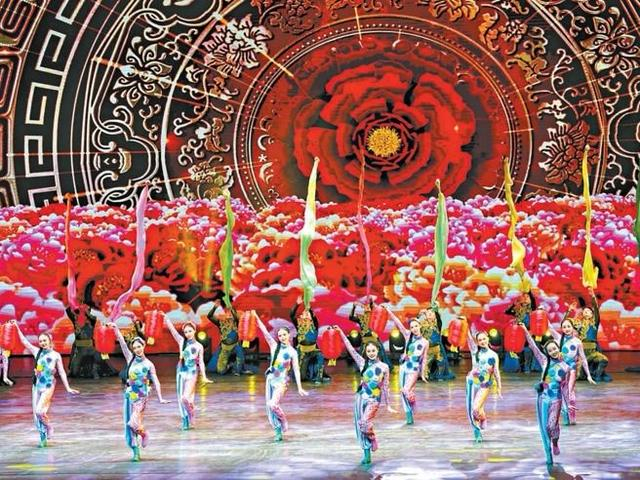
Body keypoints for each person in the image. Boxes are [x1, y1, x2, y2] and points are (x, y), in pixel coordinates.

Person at [11, 320, 79, 447]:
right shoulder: (37, 352)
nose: (42, 343)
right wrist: (16, 327)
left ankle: (49, 427)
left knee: (39, 412)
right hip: (37, 386)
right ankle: (43, 438)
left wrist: (68, 388)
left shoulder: (56, 355)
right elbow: (24, 341)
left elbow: (62, 372)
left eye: (44, 340)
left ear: (50, 340)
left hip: (48, 386)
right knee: (36, 415)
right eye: (40, 341)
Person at [109, 322, 170, 461]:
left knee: (133, 423)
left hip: (141, 398)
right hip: (129, 396)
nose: (137, 349)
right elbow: (122, 344)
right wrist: (116, 329)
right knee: (129, 425)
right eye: (135, 347)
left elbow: (156, 381)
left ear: (144, 346)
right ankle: (136, 451)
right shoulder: (130, 359)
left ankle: (143, 434)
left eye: (139, 346)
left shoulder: (149, 364)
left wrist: (160, 397)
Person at [335, 326, 395, 465]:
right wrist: (341, 332)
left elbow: (386, 387)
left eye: (373, 350)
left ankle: (372, 438)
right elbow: (350, 348)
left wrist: (388, 405)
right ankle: (366, 454)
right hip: (360, 398)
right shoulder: (362, 363)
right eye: (368, 351)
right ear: (365, 352)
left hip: (374, 400)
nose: (371, 353)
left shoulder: (384, 367)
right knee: (360, 427)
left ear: (378, 350)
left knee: (365, 423)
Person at [522, 324, 570, 467]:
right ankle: (548, 454)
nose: (553, 351)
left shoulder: (565, 367)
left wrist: (567, 406)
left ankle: (555, 442)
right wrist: (524, 329)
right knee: (544, 428)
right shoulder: (544, 362)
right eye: (550, 350)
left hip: (556, 399)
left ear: (558, 348)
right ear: (547, 353)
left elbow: (565, 388)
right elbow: (533, 346)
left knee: (551, 426)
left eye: (555, 349)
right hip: (543, 398)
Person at [255, 312, 308, 441]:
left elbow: (296, 370)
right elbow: (264, 331)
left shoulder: (292, 352)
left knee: (273, 404)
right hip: (270, 380)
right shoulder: (274, 346)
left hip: (281, 382)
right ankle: (277, 430)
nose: (282, 337)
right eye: (280, 335)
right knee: (269, 407)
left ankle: (283, 420)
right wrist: (256, 316)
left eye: (284, 335)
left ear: (289, 335)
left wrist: (299, 387)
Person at [164, 317, 213, 430]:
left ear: (194, 331)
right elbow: (173, 331)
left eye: (190, 331)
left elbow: (201, 362)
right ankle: (185, 420)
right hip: (181, 372)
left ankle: (191, 411)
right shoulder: (182, 342)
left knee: (186, 398)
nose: (188, 334)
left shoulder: (199, 346)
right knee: (180, 398)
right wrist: (167, 320)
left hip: (192, 373)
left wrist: (204, 376)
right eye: (186, 332)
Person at [385, 306, 428, 424]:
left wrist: (423, 374)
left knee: (406, 390)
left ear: (420, 326)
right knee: (403, 392)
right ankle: (409, 416)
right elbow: (397, 323)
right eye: (412, 327)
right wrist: (388, 311)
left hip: (414, 369)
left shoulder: (425, 342)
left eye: (416, 326)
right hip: (404, 367)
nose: (414, 329)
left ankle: (413, 404)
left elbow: (424, 359)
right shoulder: (408, 336)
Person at [465, 327, 502, 443]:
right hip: (472, 384)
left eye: (484, 339)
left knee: (476, 408)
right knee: (473, 410)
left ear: (488, 338)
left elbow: (496, 372)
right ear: (477, 342)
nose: (482, 341)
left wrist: (499, 387)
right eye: (480, 340)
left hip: (484, 386)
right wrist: (464, 324)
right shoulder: (474, 351)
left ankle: (483, 418)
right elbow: (468, 337)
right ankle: (477, 433)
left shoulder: (493, 355)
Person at [572, 288, 611, 382]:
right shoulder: (579, 324)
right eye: (584, 311)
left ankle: (596, 376)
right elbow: (567, 324)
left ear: (592, 314)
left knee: (604, 360)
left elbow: (596, 308)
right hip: (582, 353)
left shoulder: (594, 324)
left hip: (593, 352)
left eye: (588, 311)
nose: (585, 312)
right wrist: (570, 311)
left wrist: (593, 296)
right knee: (579, 377)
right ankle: (582, 371)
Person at [206, 300, 252, 375]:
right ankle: (230, 366)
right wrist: (214, 307)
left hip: (235, 345)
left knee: (240, 358)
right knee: (220, 371)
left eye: (231, 313)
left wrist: (231, 308)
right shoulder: (220, 323)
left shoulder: (236, 322)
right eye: (228, 313)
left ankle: (238, 369)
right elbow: (209, 316)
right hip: (225, 347)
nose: (229, 315)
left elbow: (236, 317)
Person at [290, 299, 328, 384]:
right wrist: (297, 304)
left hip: (313, 350)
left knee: (320, 356)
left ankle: (319, 378)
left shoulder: (314, 325)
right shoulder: (298, 324)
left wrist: (308, 307)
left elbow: (314, 316)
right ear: (301, 317)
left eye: (308, 313)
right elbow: (291, 315)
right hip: (302, 352)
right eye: (304, 313)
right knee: (302, 377)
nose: (306, 313)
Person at [348, 299, 391, 368]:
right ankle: (365, 367)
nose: (367, 308)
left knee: (380, 354)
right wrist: (354, 307)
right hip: (365, 339)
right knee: (363, 355)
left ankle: (381, 367)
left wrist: (372, 302)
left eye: (368, 307)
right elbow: (351, 317)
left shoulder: (374, 316)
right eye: (366, 306)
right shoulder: (361, 318)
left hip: (374, 338)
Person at [418, 305, 455, 381]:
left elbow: (438, 318)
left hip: (438, 348)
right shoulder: (421, 324)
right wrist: (419, 315)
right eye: (428, 312)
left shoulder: (437, 324)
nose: (430, 313)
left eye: (432, 312)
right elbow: (414, 325)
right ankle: (425, 375)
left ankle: (440, 375)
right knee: (425, 365)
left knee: (441, 362)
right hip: (427, 349)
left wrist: (436, 309)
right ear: (425, 314)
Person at [505, 290, 538, 373]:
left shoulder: (534, 309)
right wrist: (514, 304)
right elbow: (507, 312)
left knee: (528, 350)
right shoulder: (519, 309)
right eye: (524, 297)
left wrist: (531, 332)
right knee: (518, 351)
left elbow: (536, 324)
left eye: (527, 297)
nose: (525, 299)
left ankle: (528, 368)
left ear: (531, 299)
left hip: (530, 333)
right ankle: (520, 368)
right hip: (519, 334)